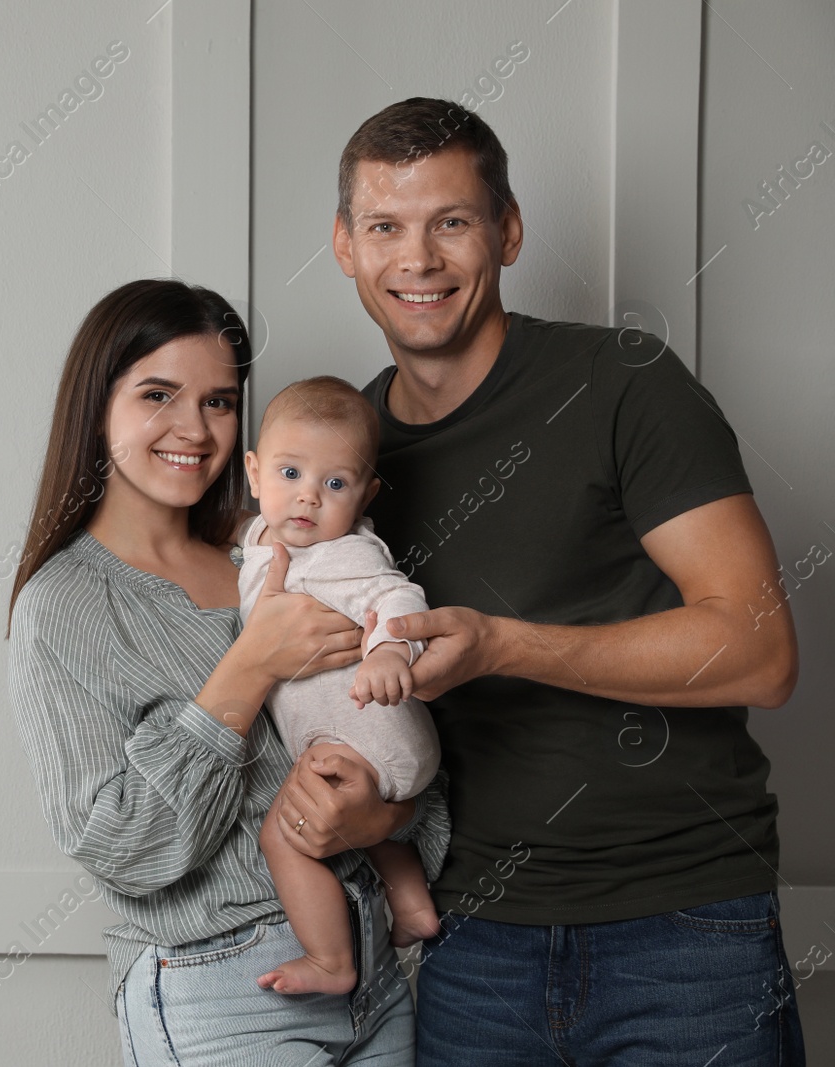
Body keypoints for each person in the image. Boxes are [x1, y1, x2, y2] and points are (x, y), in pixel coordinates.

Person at [326, 96, 806, 1063]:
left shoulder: (624, 382)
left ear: (506, 231)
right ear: (345, 245)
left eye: (450, 222)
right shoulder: (346, 456)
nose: (416, 260)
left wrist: (505, 645)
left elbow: (761, 651)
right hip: (471, 944)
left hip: (683, 929)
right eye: (386, 226)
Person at [6, 278, 449, 1064]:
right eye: (157, 394)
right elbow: (121, 845)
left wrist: (381, 823)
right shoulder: (65, 605)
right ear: (96, 405)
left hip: (376, 973)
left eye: (218, 400)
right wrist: (246, 670)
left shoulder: (287, 556)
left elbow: (393, 739)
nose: (193, 427)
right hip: (223, 990)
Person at [236, 376, 442, 996]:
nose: (308, 499)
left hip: (371, 728)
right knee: (363, 823)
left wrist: (386, 651)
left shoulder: (342, 556)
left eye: (334, 484)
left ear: (365, 494)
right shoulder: (262, 541)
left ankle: (332, 962)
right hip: (360, 745)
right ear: (253, 473)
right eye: (290, 474)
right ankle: (411, 904)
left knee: (286, 835)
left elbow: (399, 594)